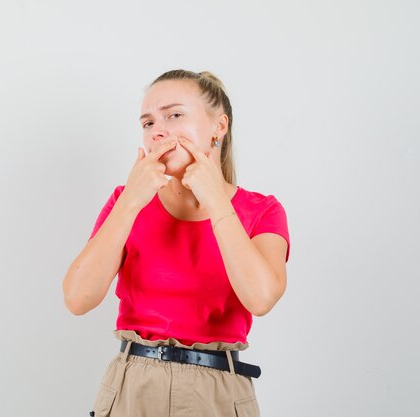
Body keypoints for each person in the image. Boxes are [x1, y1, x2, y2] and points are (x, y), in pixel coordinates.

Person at [62, 69, 290, 417]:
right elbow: (78, 298)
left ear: (219, 127)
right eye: (148, 123)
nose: (159, 131)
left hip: (218, 392)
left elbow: (260, 298)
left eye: (174, 115)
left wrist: (216, 201)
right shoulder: (126, 202)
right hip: (132, 387)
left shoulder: (261, 211)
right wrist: (130, 203)